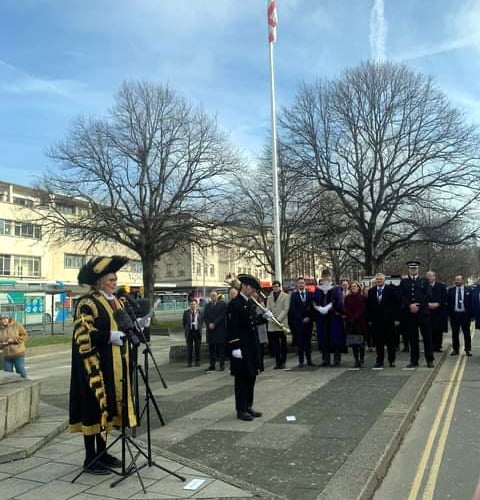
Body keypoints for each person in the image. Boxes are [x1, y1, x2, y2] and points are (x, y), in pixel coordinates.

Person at [69, 255, 137, 475]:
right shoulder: (87, 302)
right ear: (99, 282)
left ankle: (103, 452)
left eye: (115, 279)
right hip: (93, 368)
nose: (115, 282)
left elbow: (124, 324)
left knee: (106, 410)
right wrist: (108, 336)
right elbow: (83, 335)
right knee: (93, 409)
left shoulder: (114, 300)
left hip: (113, 365)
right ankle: (90, 459)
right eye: (110, 279)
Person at [226, 274, 263, 421]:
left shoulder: (249, 302)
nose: (254, 292)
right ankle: (241, 409)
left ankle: (248, 406)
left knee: (251, 377)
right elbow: (232, 327)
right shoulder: (235, 304)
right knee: (241, 380)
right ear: (246, 287)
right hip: (240, 347)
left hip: (251, 347)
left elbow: (251, 323)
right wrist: (235, 347)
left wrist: (263, 318)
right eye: (252, 289)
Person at [398, 261, 435, 368]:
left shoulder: (424, 281)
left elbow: (428, 295)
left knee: (427, 337)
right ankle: (414, 360)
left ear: (418, 269)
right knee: (413, 338)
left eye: (415, 268)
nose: (413, 270)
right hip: (410, 314)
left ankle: (430, 359)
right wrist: (410, 305)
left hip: (423, 313)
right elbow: (401, 296)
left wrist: (418, 305)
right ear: (408, 269)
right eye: (411, 268)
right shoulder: (404, 282)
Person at [312, 269, 346, 366]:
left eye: (327, 276)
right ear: (322, 278)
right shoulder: (318, 289)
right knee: (324, 338)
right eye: (324, 276)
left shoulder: (336, 288)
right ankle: (325, 359)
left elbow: (339, 301)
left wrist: (329, 307)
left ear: (331, 277)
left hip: (333, 317)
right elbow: (314, 301)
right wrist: (319, 308)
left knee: (335, 338)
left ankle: (336, 359)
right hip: (322, 318)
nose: (326, 278)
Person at [367, 273, 399, 368]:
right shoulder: (371, 291)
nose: (379, 281)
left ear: (384, 280)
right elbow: (369, 306)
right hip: (377, 321)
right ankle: (379, 360)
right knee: (378, 342)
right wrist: (369, 319)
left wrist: (397, 319)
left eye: (381, 279)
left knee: (390, 342)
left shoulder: (391, 290)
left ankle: (391, 360)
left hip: (389, 320)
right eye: (377, 279)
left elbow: (396, 305)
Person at [288, 277, 314, 368]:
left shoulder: (310, 294)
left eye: (303, 283)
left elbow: (313, 308)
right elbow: (293, 309)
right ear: (297, 284)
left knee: (308, 342)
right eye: (299, 283)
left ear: (305, 284)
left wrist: (309, 317)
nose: (301, 284)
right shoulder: (294, 296)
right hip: (299, 323)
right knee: (300, 343)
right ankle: (301, 361)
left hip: (308, 322)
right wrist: (301, 318)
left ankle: (309, 360)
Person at [266, 280, 291, 369]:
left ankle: (283, 362)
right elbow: (267, 308)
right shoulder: (269, 297)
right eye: (273, 287)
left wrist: (278, 319)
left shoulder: (286, 296)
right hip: (272, 324)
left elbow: (286, 308)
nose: (275, 288)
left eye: (276, 286)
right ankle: (277, 362)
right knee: (275, 344)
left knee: (283, 344)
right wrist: (269, 316)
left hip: (282, 323)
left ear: (279, 287)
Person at [447, 275, 473, 357]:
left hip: (465, 315)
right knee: (454, 333)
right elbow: (448, 303)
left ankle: (467, 349)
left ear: (463, 281)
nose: (457, 281)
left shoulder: (468, 290)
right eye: (456, 280)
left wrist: (471, 315)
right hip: (454, 315)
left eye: (458, 280)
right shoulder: (451, 290)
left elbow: (471, 303)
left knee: (466, 333)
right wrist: (448, 315)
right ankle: (455, 349)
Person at [344, 282, 367, 368]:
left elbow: (363, 308)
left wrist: (356, 317)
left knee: (361, 342)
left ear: (358, 287)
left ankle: (362, 359)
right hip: (351, 323)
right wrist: (350, 316)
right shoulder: (347, 298)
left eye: (355, 286)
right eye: (352, 286)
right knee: (354, 343)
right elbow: (345, 308)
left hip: (360, 322)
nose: (353, 287)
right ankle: (356, 360)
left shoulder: (363, 297)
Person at [203, 291, 227, 372]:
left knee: (221, 349)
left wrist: (214, 323)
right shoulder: (207, 306)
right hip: (211, 331)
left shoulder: (222, 304)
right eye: (211, 296)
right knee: (211, 349)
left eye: (214, 295)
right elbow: (205, 316)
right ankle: (212, 365)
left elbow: (222, 315)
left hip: (219, 330)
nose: (213, 297)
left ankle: (221, 365)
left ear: (217, 296)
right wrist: (209, 324)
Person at [426, 271, 448, 353]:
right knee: (429, 330)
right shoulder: (424, 286)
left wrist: (438, 303)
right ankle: (430, 346)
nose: (429, 278)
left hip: (439, 311)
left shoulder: (441, 286)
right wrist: (428, 304)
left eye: (430, 276)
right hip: (428, 311)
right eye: (427, 276)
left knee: (438, 330)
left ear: (434, 277)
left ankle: (438, 346)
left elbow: (445, 297)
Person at [182, 299, 203, 367]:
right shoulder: (186, 312)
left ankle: (197, 361)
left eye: (194, 304)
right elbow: (184, 322)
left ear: (196, 305)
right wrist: (186, 330)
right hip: (190, 332)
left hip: (197, 332)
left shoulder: (200, 312)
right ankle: (189, 362)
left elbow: (201, 322)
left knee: (198, 348)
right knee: (189, 348)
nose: (193, 305)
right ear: (189, 305)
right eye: (191, 304)